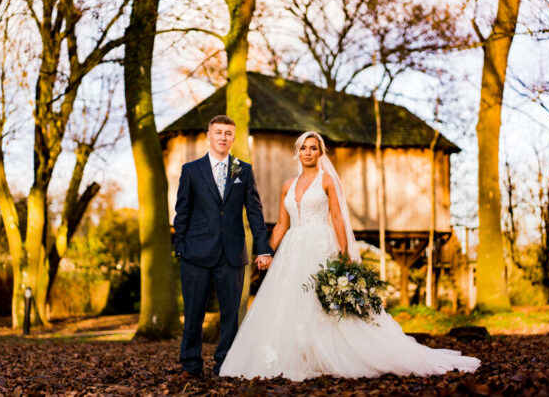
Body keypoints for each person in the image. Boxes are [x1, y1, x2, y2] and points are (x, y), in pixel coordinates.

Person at [220, 131, 480, 381]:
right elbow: (280, 224)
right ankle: (296, 355)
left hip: (320, 245)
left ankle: (335, 355)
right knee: (287, 302)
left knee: (321, 302)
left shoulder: (327, 180)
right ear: (297, 152)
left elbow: (337, 217)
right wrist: (266, 251)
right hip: (292, 248)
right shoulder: (287, 185)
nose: (308, 152)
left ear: (320, 153)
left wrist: (343, 252)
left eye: (313, 148)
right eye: (303, 148)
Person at [173, 115, 273, 378]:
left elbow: (255, 212)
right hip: (195, 253)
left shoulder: (243, 170)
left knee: (231, 315)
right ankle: (190, 365)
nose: (222, 137)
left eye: (228, 133)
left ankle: (225, 364)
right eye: (218, 132)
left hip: (232, 253)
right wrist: (180, 247)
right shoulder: (191, 170)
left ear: (233, 138)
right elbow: (181, 212)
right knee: (194, 313)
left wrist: (263, 248)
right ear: (208, 134)